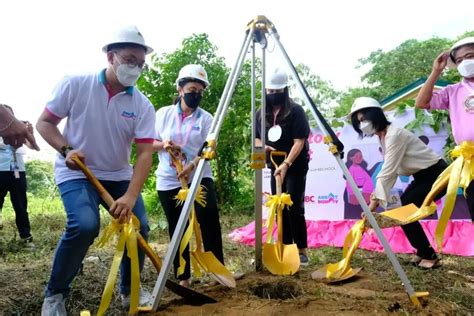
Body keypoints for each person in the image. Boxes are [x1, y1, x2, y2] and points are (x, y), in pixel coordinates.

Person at [36, 25, 156, 315]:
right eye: (129, 60)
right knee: (84, 225)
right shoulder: (75, 85)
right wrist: (66, 149)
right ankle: (55, 295)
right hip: (77, 171)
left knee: (139, 226)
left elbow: (143, 156)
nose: (135, 68)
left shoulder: (142, 105)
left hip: (118, 176)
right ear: (110, 57)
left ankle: (131, 291)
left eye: (140, 64)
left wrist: (129, 196)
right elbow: (44, 123)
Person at [349, 97, 447, 269]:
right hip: (422, 177)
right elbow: (390, 172)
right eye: (359, 122)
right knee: (403, 211)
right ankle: (423, 252)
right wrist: (375, 203)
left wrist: (371, 207)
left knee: (404, 211)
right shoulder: (383, 136)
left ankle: (429, 255)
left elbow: (387, 172)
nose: (362, 125)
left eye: (364, 119)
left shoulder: (394, 135)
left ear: (375, 115)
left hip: (436, 174)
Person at [153, 64, 224, 287]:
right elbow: (148, 143)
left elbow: (209, 149)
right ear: (181, 89)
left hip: (199, 175)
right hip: (169, 178)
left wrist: (193, 164)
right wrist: (163, 145)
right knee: (177, 226)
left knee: (209, 218)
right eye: (192, 89)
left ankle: (217, 271)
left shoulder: (207, 119)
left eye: (200, 91)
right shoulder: (163, 114)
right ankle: (183, 276)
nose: (196, 95)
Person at [255, 67, 311, 265]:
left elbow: (300, 141)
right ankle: (285, 245)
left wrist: (287, 163)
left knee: (293, 205)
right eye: (269, 92)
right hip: (274, 164)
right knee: (278, 204)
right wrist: (264, 146)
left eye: (276, 92)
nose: (272, 95)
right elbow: (255, 139)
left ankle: (302, 249)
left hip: (295, 165)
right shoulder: (261, 113)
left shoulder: (295, 111)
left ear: (284, 91)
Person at [415, 36, 474, 221]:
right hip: (471, 162)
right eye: (460, 60)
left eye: (470, 56)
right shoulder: (453, 91)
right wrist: (436, 71)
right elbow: (421, 102)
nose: (465, 62)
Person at [0, 105, 36, 247]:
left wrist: (30, 133)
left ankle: (26, 237)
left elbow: (32, 146)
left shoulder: (19, 130)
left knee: (21, 204)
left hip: (18, 171)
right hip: (1, 170)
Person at [344, 148, 373, 219]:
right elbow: (350, 185)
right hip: (358, 197)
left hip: (366, 196)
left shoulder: (362, 167)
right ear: (351, 158)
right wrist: (355, 197)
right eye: (357, 156)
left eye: (361, 156)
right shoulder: (351, 169)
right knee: (359, 216)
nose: (360, 157)